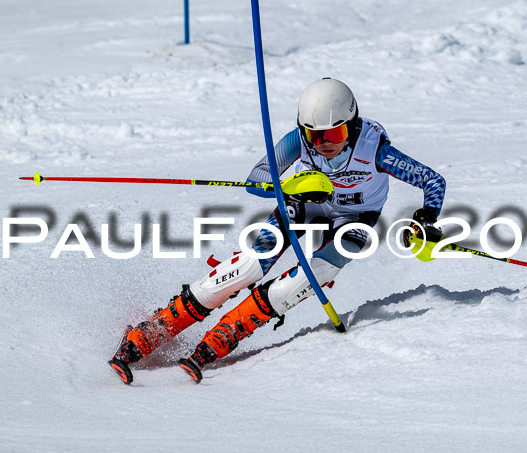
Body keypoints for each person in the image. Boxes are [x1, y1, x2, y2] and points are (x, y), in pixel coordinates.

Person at [108, 78, 446, 384]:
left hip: (355, 217)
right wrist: (289, 187)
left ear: (352, 126)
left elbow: (433, 180)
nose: (324, 144)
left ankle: (226, 333)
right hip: (303, 204)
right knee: (250, 265)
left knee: (312, 276)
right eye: (316, 135)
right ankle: (154, 329)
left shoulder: (375, 149)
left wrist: (427, 217)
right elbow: (256, 179)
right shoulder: (297, 142)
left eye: (335, 134)